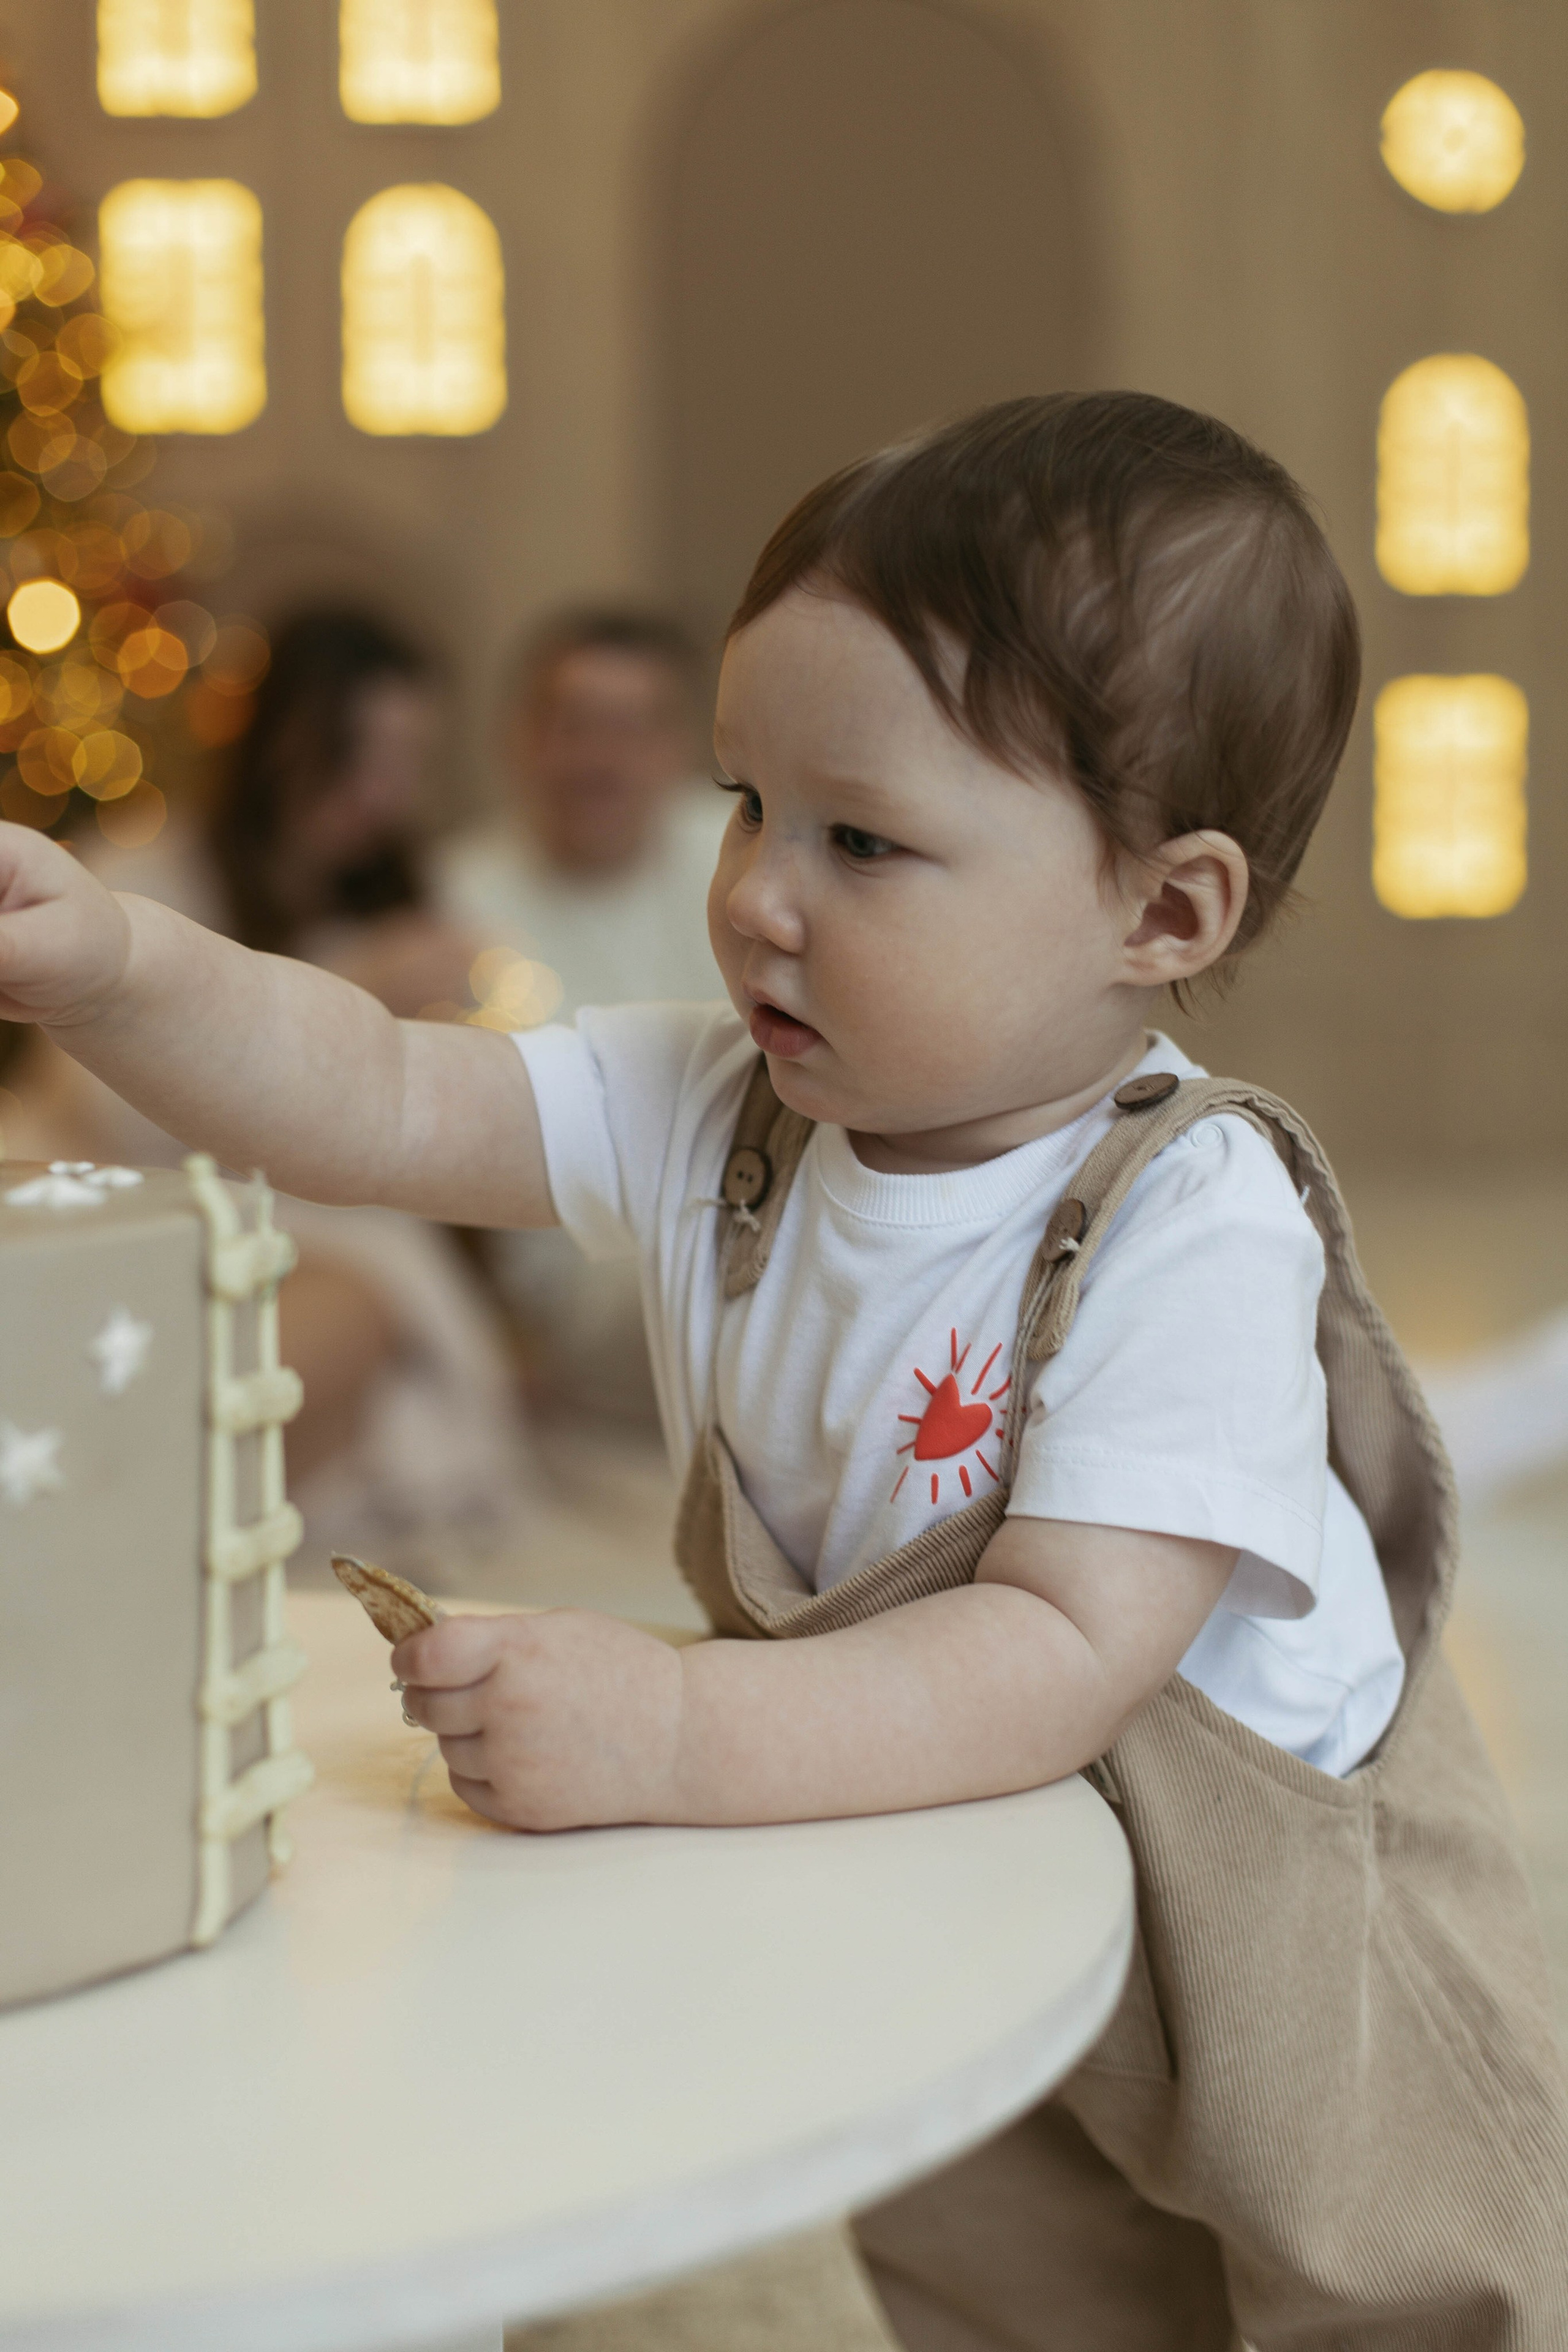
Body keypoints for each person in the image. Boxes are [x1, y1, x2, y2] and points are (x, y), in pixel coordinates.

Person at [1, 394, 1563, 2346]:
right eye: (747, 802)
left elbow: (1064, 1649)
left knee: (1393, 2284)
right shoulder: (708, 1110)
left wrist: (672, 1736)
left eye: (863, 839)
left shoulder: (1192, 1217)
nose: (752, 890)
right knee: (981, 2246)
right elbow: (384, 1091)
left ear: (1162, 914)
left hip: (1268, 1924)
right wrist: (131, 973)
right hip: (940, 1834)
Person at [35, 605, 529, 1582]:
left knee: (349, 1314)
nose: (381, 793)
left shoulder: (413, 903)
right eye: (357, 753)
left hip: (331, 1209)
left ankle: (131, 1551)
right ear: (282, 744)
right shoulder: (146, 875)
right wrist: (352, 982)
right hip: (146, 1189)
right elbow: (113, 1106)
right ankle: (102, 1539)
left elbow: (458, 1125)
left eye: (408, 759)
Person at [435, 608, 727, 1419]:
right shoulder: (453, 900)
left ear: (680, 746)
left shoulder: (744, 861)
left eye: (633, 729)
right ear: (520, 737)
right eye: (576, 726)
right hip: (578, 1279)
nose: (603, 760)